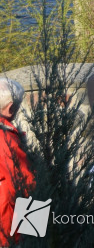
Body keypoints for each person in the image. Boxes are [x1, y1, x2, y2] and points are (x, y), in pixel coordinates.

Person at [0, 78, 34, 248]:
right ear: (10, 107)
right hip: (6, 225)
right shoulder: (5, 138)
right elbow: (24, 184)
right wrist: (35, 229)